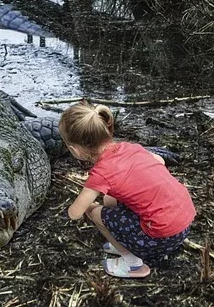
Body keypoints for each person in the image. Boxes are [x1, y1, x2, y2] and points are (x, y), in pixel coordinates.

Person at [58, 100, 196, 278]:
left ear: (74, 150)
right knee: (110, 200)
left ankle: (133, 265)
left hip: (161, 237)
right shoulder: (131, 147)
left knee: (96, 213)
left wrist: (77, 207)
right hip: (184, 223)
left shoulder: (101, 174)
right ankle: (125, 241)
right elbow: (160, 161)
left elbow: (75, 214)